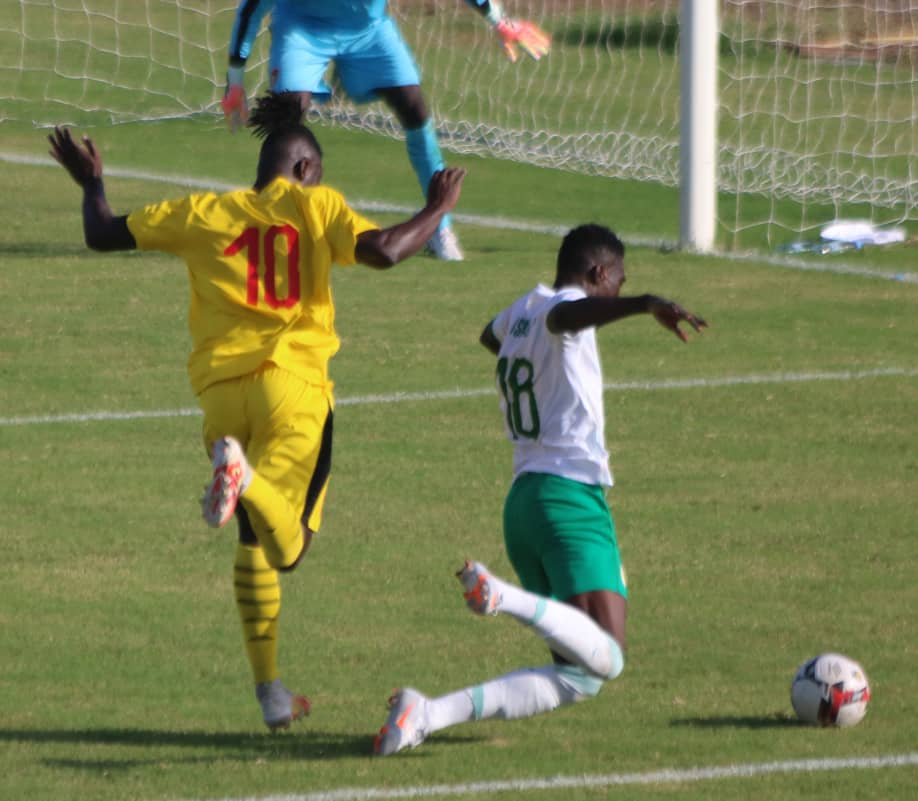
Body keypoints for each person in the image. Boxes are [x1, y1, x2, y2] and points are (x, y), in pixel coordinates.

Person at [48, 91, 466, 731]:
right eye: (318, 174)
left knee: (252, 540)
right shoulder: (314, 204)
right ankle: (241, 474)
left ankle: (270, 691)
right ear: (304, 171)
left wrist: (92, 181)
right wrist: (436, 208)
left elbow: (102, 233)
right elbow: (383, 249)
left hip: (221, 397)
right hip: (291, 391)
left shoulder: (202, 212)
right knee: (290, 546)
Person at [374, 223, 706, 755]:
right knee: (609, 654)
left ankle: (428, 713)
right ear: (599, 273)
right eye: (618, 280)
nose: (619, 288)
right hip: (568, 499)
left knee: (580, 675)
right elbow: (569, 315)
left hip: (524, 504)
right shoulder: (567, 308)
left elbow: (493, 335)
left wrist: (536, 363)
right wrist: (646, 303)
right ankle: (502, 596)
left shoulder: (522, 309)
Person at [221, 1, 550, 262]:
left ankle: (440, 229)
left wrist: (500, 20)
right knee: (287, 115)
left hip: (368, 32)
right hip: (303, 30)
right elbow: (251, 8)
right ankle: (270, 226)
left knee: (414, 108)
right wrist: (235, 79)